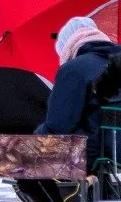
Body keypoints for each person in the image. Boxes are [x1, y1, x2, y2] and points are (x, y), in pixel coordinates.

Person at [36, 16, 121, 168]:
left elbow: (58, 128)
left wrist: (36, 135)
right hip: (114, 152)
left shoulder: (73, 70)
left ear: (68, 48)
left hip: (97, 158)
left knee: (3, 152)